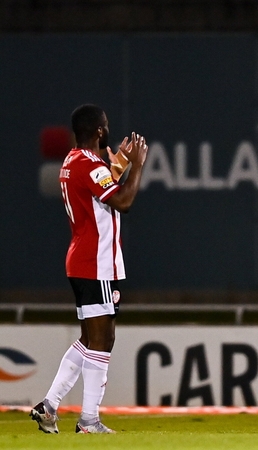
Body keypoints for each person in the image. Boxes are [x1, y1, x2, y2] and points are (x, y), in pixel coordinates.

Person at [30, 104, 148, 434]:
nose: (108, 130)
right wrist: (137, 166)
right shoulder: (90, 165)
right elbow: (122, 201)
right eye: (105, 125)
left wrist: (119, 164)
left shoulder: (72, 161)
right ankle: (89, 420)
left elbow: (100, 186)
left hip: (82, 259)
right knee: (102, 340)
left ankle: (49, 406)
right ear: (98, 131)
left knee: (89, 338)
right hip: (97, 263)